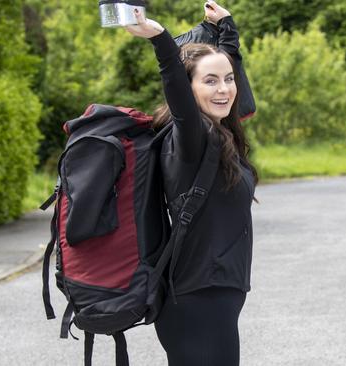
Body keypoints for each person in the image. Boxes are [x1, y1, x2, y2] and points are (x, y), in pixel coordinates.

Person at [126, 2, 258, 365]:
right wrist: (160, 38)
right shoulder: (191, 138)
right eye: (210, 81)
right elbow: (178, 91)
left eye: (228, 79)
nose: (224, 89)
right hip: (198, 297)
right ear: (188, 88)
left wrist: (227, 31)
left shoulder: (220, 134)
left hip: (214, 294)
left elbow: (229, 82)